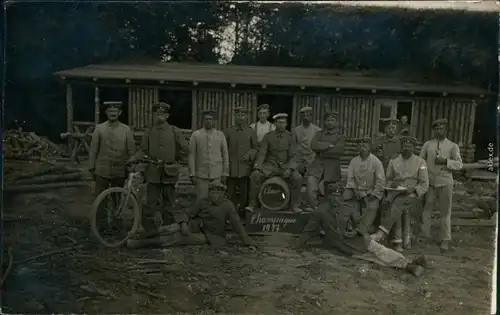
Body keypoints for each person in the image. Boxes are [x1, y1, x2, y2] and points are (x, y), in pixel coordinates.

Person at [294, 183, 428, 277]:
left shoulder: (347, 207)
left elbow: (359, 223)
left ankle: (409, 264)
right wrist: (298, 244)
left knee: (380, 251)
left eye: (338, 195)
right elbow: (308, 230)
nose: (336, 198)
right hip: (343, 246)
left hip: (358, 239)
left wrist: (356, 231)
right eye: (332, 195)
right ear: (327, 196)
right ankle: (409, 264)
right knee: (375, 259)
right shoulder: (320, 212)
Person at [126, 182, 257, 249]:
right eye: (212, 191)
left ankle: (139, 244)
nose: (215, 194)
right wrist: (183, 224)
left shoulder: (228, 206)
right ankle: (138, 236)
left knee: (175, 239)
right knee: (168, 228)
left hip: (210, 235)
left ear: (224, 194)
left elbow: (238, 226)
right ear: (209, 192)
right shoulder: (203, 201)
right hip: (197, 225)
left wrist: (249, 242)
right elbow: (188, 212)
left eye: (219, 192)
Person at [130, 102, 189, 235]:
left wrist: (176, 160)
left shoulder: (175, 131)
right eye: (157, 114)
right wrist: (134, 158)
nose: (159, 116)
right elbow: (143, 150)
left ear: (167, 116)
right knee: (151, 202)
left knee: (169, 202)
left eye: (162, 114)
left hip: (169, 172)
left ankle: (168, 228)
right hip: (153, 172)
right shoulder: (149, 132)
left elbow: (185, 148)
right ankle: (150, 230)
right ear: (153, 115)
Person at [419, 118, 463, 252]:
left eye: (441, 128)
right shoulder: (428, 145)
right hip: (431, 182)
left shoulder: (452, 146)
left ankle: (445, 240)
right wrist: (423, 175)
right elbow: (420, 161)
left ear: (446, 130)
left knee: (445, 212)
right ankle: (425, 236)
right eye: (436, 129)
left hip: (445, 182)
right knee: (427, 208)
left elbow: (459, 164)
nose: (439, 131)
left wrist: (445, 161)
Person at [246, 113, 303, 213]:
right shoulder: (268, 137)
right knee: (255, 176)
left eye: (283, 123)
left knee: (297, 178)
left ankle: (294, 206)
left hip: (284, 167)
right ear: (275, 124)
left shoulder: (290, 137)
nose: (281, 125)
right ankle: (252, 205)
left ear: (286, 124)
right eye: (279, 123)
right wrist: (257, 166)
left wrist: (290, 169)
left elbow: (294, 155)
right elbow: (262, 153)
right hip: (270, 166)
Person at [381, 136, 429, 252]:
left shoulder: (421, 162)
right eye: (404, 146)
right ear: (401, 147)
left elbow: (424, 183)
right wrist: (392, 184)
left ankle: (398, 240)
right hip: (397, 193)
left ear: (414, 148)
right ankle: (402, 241)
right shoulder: (394, 161)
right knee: (396, 203)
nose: (406, 149)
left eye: (409, 146)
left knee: (398, 205)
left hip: (413, 194)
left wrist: (413, 190)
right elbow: (388, 179)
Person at [88, 101, 136, 196]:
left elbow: (131, 150)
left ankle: (115, 211)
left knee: (117, 198)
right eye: (110, 111)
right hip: (102, 170)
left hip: (119, 170)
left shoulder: (126, 129)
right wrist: (91, 167)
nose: (113, 114)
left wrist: (132, 166)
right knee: (100, 198)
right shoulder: (99, 128)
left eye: (115, 111)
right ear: (106, 112)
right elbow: (93, 150)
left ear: (120, 113)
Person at [344, 137, 385, 235]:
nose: (362, 148)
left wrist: (373, 195)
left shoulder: (376, 162)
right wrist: (355, 191)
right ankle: (350, 225)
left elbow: (380, 181)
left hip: (371, 191)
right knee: (347, 199)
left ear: (370, 147)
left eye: (365, 145)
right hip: (357, 190)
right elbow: (350, 178)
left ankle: (360, 230)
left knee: (372, 207)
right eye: (360, 146)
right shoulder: (353, 161)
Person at [305, 111, 345, 210]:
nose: (330, 122)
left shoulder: (340, 136)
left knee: (330, 191)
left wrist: (321, 149)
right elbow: (313, 145)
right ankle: (314, 206)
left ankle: (326, 210)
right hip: (318, 164)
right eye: (328, 120)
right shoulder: (319, 134)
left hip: (332, 166)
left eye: (332, 120)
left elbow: (338, 151)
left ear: (337, 123)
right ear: (324, 122)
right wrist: (328, 145)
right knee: (310, 183)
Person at [188, 109, 230, 203]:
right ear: (203, 120)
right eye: (206, 119)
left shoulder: (220, 135)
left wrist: (225, 173)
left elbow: (225, 155)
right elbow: (191, 155)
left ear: (215, 121)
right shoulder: (196, 135)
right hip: (201, 174)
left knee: (216, 199)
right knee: (201, 199)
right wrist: (192, 174)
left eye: (211, 119)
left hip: (217, 174)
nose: (208, 121)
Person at [223, 107, 259, 213]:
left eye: (243, 115)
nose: (240, 117)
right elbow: (223, 147)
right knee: (230, 193)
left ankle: (243, 214)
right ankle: (229, 214)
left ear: (246, 117)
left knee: (244, 193)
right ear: (235, 117)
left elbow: (256, 147)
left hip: (245, 168)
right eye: (238, 115)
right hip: (231, 168)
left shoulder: (251, 132)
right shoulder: (228, 131)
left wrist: (249, 155)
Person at [292, 106, 322, 175]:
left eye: (308, 115)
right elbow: (293, 146)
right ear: (301, 117)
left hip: (312, 159)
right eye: (303, 115)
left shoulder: (317, 130)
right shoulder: (296, 130)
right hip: (299, 159)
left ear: (311, 116)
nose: (306, 117)